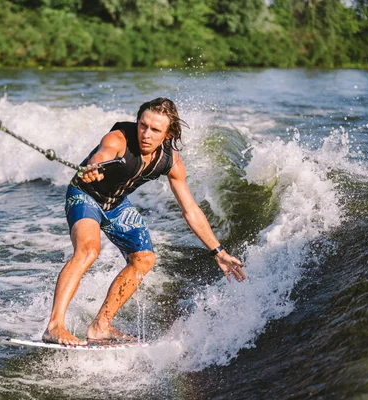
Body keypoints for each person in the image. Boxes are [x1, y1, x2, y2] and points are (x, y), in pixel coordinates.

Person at [43, 97, 246, 346]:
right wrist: (95, 167)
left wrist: (218, 251)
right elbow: (103, 154)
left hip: (116, 204)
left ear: (168, 133)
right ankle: (54, 327)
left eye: (155, 129)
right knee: (88, 249)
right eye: (143, 125)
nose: (146, 134)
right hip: (85, 195)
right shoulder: (119, 138)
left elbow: (190, 210)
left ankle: (101, 326)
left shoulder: (170, 162)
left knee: (145, 259)